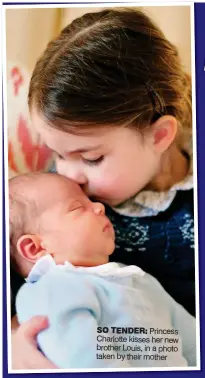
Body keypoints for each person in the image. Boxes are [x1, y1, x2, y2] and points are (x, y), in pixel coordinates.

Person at [11, 7, 195, 369]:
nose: (69, 175)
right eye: (57, 154)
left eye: (91, 158)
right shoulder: (53, 197)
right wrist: (13, 343)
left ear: (160, 135)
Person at [10, 172, 196, 369]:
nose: (99, 207)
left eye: (91, 201)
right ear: (35, 248)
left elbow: (190, 338)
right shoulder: (51, 289)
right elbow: (80, 355)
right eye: (78, 207)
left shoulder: (137, 278)